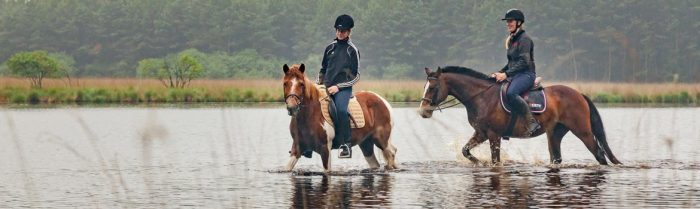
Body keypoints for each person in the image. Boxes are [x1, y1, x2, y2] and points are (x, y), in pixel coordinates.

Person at [491, 9, 540, 136]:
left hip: (526, 75)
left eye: (510, 21)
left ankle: (531, 121)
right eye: (507, 21)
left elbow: (524, 61)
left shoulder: (525, 39)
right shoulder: (513, 39)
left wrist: (506, 74)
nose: (508, 23)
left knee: (511, 93)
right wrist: (499, 72)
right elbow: (511, 63)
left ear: (519, 22)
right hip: (516, 75)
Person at [317, 14, 360, 158]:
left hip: (343, 88)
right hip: (326, 87)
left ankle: (346, 145)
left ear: (348, 32)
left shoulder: (352, 50)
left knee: (341, 110)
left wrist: (339, 87)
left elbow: (356, 75)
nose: (339, 33)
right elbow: (323, 69)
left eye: (342, 31)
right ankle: (308, 145)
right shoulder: (329, 48)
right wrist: (319, 83)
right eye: (337, 30)